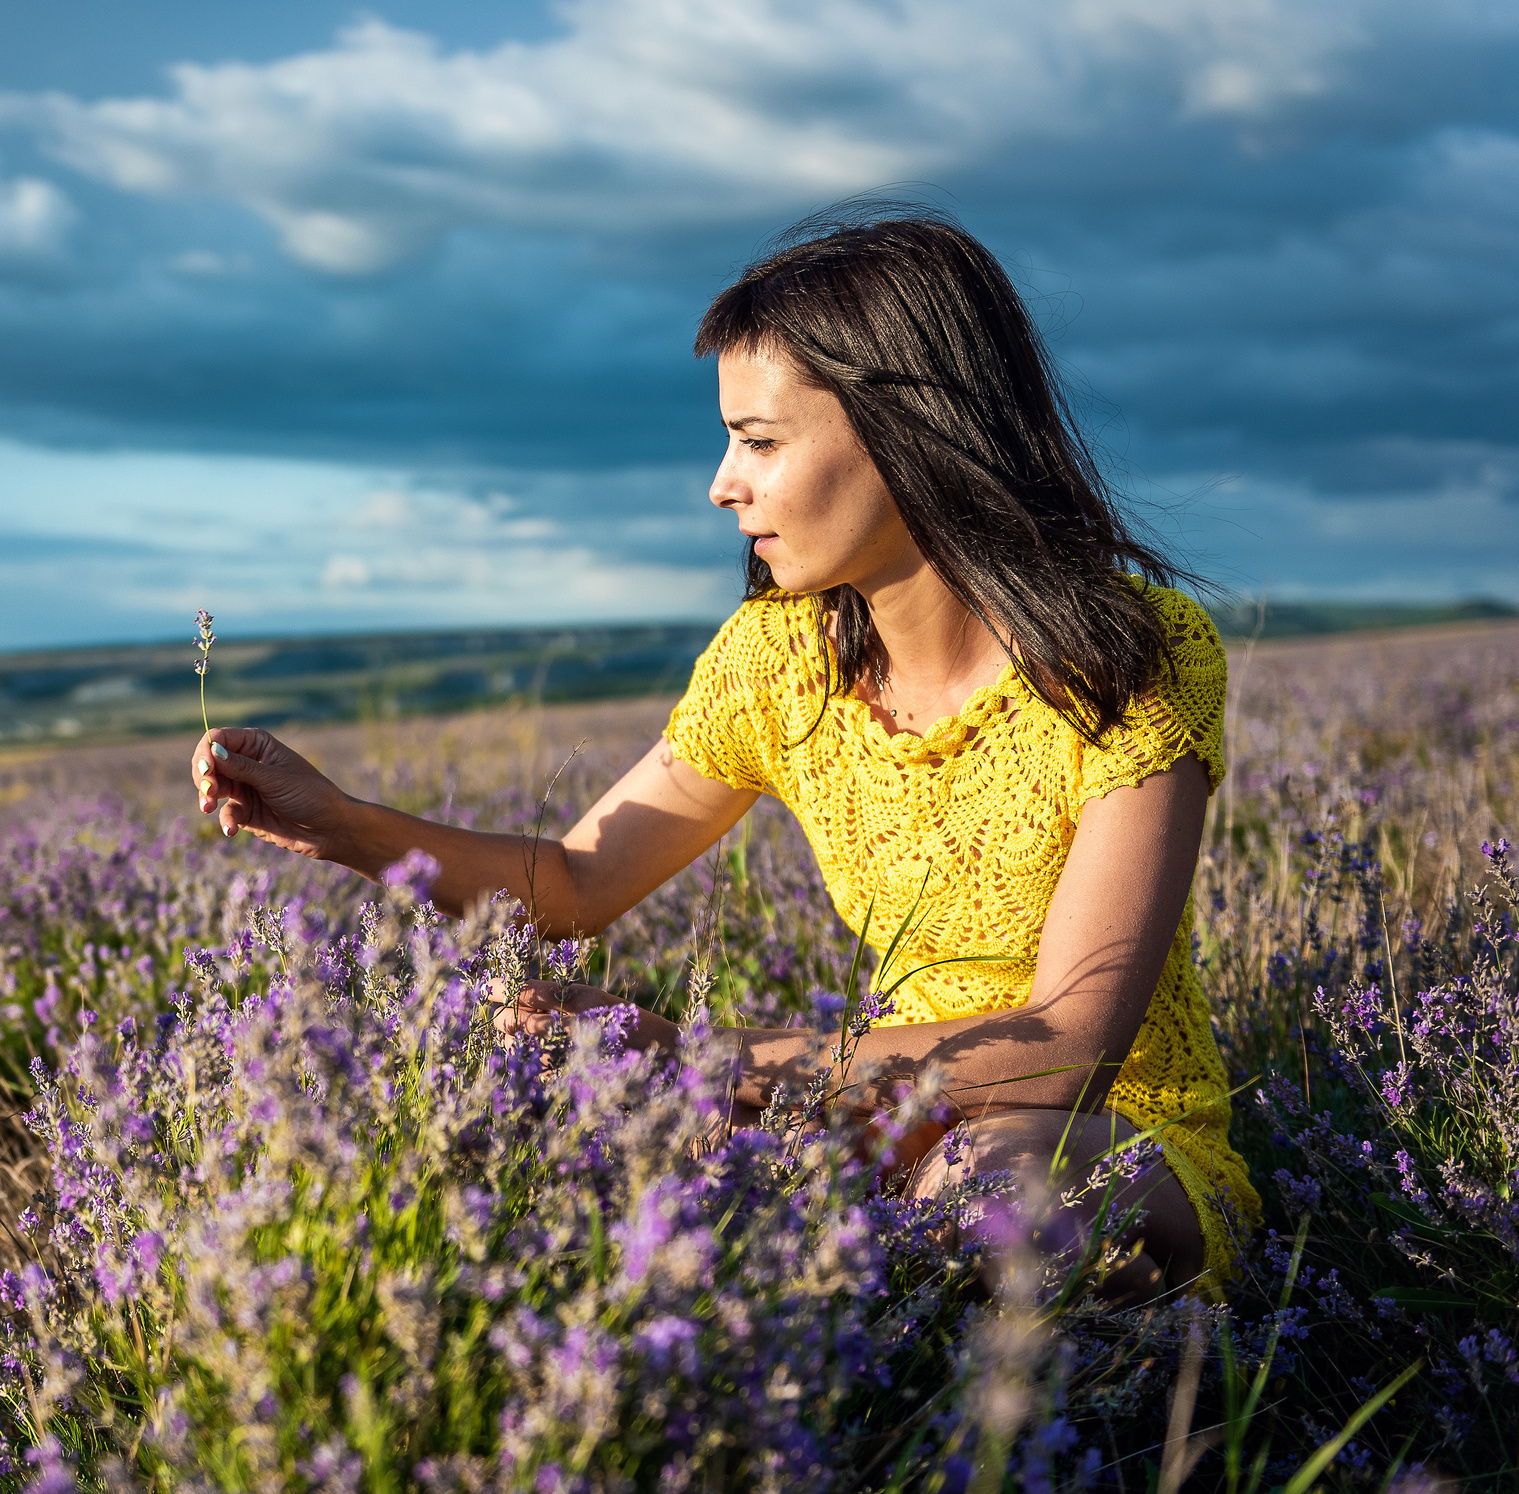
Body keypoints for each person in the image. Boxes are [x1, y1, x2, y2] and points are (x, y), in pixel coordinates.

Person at [191, 209, 1258, 1300]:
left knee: (987, 1203)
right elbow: (570, 885)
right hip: (874, 1120)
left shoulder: (1129, 655)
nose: (720, 482)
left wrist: (714, 1060)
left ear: (908, 430)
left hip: (1115, 1141)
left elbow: (1066, 1046)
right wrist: (342, 823)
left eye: (758, 439)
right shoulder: (777, 662)